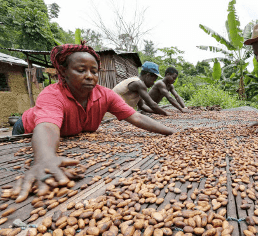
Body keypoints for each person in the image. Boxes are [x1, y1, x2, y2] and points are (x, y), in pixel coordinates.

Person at [12, 43, 175, 203]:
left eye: (94, 71)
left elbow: (137, 117)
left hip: (70, 133)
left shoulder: (106, 95)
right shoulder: (53, 95)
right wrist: (45, 158)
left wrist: (172, 132)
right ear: (64, 71)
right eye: (81, 70)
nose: (89, 76)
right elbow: (47, 126)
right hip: (29, 130)